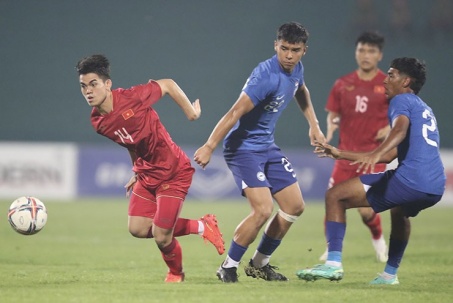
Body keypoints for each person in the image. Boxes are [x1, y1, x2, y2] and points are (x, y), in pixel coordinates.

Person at [194, 22, 326, 283]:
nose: (288, 55)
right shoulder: (264, 77)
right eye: (284, 48)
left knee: (294, 206)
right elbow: (234, 112)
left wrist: (314, 125)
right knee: (263, 210)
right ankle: (228, 266)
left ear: (304, 51)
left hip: (266, 146)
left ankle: (258, 264)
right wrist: (210, 146)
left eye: (295, 50)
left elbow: (301, 89)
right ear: (275, 45)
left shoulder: (296, 68)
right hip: (243, 149)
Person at [75, 54, 225, 283]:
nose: (88, 91)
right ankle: (201, 225)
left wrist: (191, 113)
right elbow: (130, 143)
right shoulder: (99, 122)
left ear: (107, 84)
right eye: (83, 86)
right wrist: (136, 170)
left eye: (93, 84)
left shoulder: (131, 98)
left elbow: (167, 84)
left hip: (173, 171)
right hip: (147, 173)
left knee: (161, 237)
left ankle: (176, 274)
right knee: (137, 228)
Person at [296, 57, 446, 285]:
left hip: (410, 180)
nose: (385, 80)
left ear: (406, 82)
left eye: (391, 75)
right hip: (435, 187)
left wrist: (376, 154)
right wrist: (339, 153)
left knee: (335, 196)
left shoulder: (401, 100)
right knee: (400, 212)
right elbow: (388, 155)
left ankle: (333, 264)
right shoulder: (424, 108)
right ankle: (389, 275)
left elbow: (399, 131)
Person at [320, 31, 389, 263]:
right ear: (356, 52)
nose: (365, 55)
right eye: (361, 50)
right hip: (344, 157)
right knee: (332, 200)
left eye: (371, 51)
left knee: (366, 211)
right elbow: (333, 114)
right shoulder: (342, 84)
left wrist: (390, 128)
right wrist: (330, 129)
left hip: (372, 158)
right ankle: (332, 251)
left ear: (379, 55)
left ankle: (378, 239)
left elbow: (402, 117)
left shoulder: (388, 85)